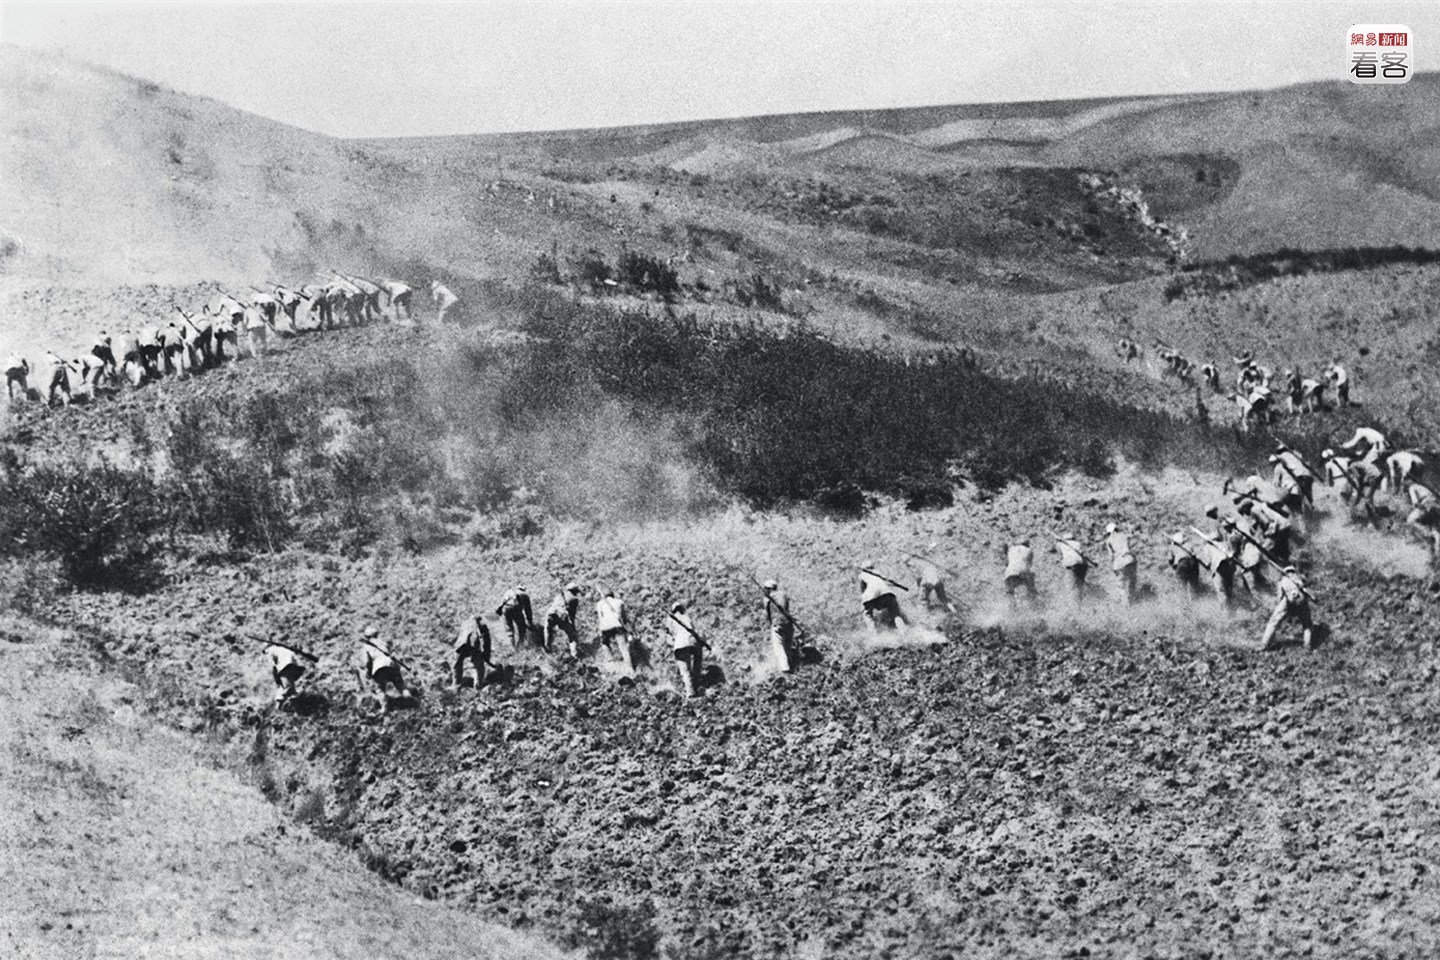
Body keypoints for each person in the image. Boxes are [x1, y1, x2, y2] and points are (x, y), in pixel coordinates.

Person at [1260, 566, 1315, 650]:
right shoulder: (1299, 578)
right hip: (1302, 603)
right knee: (1307, 625)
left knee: (1273, 623)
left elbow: (1280, 596)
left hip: (1288, 603)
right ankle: (1307, 645)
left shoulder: (1283, 580)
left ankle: (1264, 645)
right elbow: (1306, 590)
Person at [668, 601, 706, 697]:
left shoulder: (670, 620)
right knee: (697, 661)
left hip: (679, 645)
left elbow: (671, 635)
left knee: (685, 670)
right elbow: (694, 630)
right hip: (692, 642)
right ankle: (697, 683)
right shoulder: (687, 617)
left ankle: (690, 692)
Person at [358, 627, 409, 699]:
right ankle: (409, 698)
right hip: (391, 665)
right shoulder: (383, 643)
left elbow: (368, 662)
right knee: (401, 686)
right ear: (376, 635)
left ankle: (384, 703)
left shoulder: (366, 647)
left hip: (379, 669)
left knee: (380, 689)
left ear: (367, 637)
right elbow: (391, 654)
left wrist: (368, 673)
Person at [859, 561, 908, 631]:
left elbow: (863, 590)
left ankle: (872, 632)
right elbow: (888, 582)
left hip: (871, 594)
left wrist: (864, 604)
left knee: (867, 614)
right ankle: (903, 630)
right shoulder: (879, 573)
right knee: (895, 614)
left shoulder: (862, 575)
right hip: (888, 593)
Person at [762, 578, 798, 673]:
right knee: (787, 644)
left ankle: (784, 668)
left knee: (778, 646)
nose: (764, 591)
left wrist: (770, 624)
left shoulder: (768, 598)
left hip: (777, 623)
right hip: (789, 622)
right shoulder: (783, 594)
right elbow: (786, 608)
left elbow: (768, 614)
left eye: (765, 589)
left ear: (769, 589)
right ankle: (790, 662)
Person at [910, 546, 956, 613]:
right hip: (937, 581)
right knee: (943, 598)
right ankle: (953, 609)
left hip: (928, 582)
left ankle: (923, 613)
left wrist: (920, 587)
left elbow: (919, 579)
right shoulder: (930, 561)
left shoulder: (918, 564)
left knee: (922, 600)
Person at [453, 614, 495, 688]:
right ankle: (478, 684)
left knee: (457, 664)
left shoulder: (465, 624)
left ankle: (456, 684)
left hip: (461, 645)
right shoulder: (483, 627)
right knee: (479, 665)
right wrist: (487, 657)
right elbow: (486, 643)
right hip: (473, 645)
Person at [1102, 522, 1138, 604]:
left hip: (1119, 563)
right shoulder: (1124, 535)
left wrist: (1111, 566)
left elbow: (1111, 555)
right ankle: (1133, 601)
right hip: (1130, 560)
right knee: (1131, 581)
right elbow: (1133, 537)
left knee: (1121, 584)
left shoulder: (1109, 540)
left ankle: (1125, 604)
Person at [594, 589, 631, 669]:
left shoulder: (599, 604)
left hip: (605, 627)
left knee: (605, 643)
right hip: (617, 625)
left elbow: (600, 618)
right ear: (612, 595)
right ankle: (629, 667)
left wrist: (601, 630)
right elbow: (624, 617)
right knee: (623, 647)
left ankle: (611, 662)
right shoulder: (619, 602)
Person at [544, 582, 583, 656]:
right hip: (561, 617)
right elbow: (572, 616)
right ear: (575, 591)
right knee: (572, 636)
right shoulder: (574, 599)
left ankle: (547, 648)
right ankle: (574, 654)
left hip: (551, 614)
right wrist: (573, 628)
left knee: (548, 630)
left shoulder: (559, 595)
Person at [1053, 534, 1090, 606]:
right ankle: (1080, 602)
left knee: (1071, 586)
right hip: (1082, 565)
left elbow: (1060, 556)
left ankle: (1073, 605)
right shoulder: (1077, 543)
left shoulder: (1060, 544)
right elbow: (1083, 554)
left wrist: (1057, 542)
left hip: (1071, 565)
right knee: (1080, 585)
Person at [495, 585, 534, 650]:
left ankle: (512, 647)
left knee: (509, 630)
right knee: (522, 628)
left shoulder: (509, 592)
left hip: (505, 609)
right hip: (515, 609)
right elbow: (528, 610)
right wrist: (530, 622)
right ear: (523, 589)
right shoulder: (524, 595)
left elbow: (501, 604)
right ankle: (520, 645)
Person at [1003, 539, 1039, 606]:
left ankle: (1012, 608)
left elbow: (1005, 544)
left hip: (1009, 572)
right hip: (1022, 570)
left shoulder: (1011, 549)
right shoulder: (1029, 550)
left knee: (1010, 592)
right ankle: (1034, 605)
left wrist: (1005, 553)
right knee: (1031, 589)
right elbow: (1029, 564)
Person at [1167, 532, 1203, 598]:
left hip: (1182, 564)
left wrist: (1173, 567)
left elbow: (1170, 559)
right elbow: (1197, 554)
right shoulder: (1190, 544)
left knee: (1182, 585)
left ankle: (1184, 601)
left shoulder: (1172, 547)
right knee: (1194, 584)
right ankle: (1196, 598)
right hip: (1193, 563)